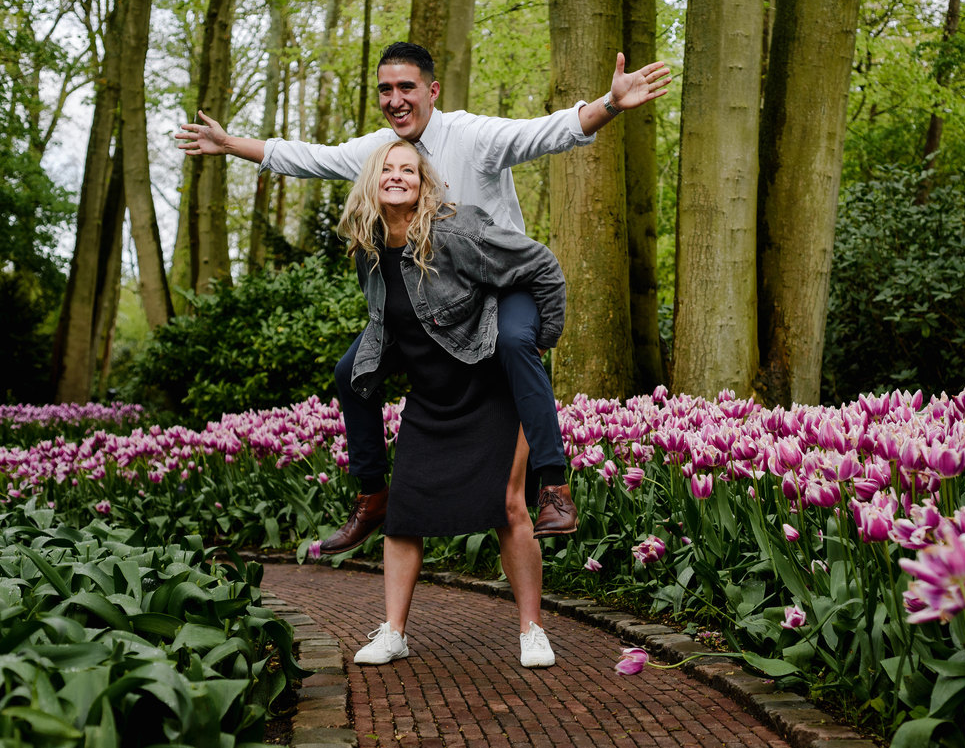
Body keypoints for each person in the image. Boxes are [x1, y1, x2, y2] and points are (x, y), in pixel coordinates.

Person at [175, 43, 671, 551]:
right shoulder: (381, 153)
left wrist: (609, 104)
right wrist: (229, 143)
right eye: (385, 90)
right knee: (350, 373)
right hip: (434, 299)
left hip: (501, 286)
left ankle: (554, 487)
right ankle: (373, 495)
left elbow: (545, 132)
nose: (395, 100)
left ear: (432, 91)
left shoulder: (471, 136)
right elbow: (311, 158)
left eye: (406, 87)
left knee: (515, 344)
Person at [340, 138, 564, 667]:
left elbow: (541, 264)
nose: (397, 176)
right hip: (431, 395)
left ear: (425, 184)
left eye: (409, 170)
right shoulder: (368, 250)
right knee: (403, 515)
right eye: (387, 169)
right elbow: (386, 323)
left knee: (510, 507)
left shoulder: (456, 231)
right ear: (372, 181)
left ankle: (532, 630)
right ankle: (394, 633)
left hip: (491, 385)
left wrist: (541, 339)